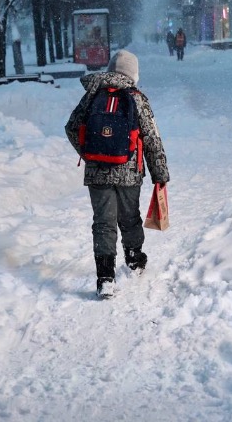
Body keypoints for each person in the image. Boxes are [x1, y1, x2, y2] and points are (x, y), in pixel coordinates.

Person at [65, 49, 170, 298]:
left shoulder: (92, 95)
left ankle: (105, 277)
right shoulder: (137, 98)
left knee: (103, 222)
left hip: (97, 172)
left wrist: (90, 152)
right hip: (129, 171)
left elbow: (71, 127)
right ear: (133, 73)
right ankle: (134, 259)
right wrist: (160, 174)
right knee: (129, 217)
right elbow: (152, 139)